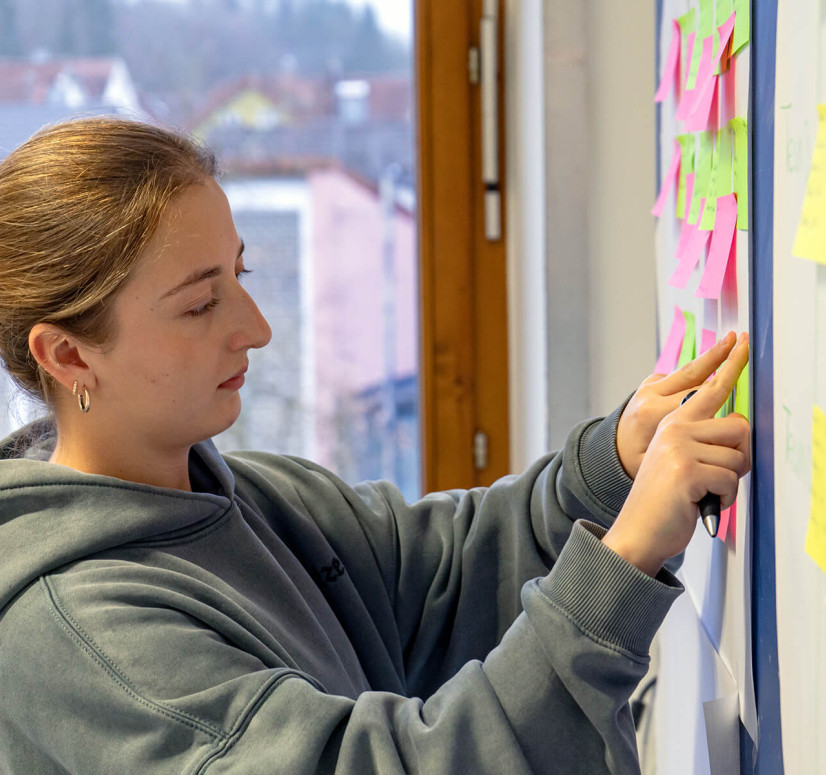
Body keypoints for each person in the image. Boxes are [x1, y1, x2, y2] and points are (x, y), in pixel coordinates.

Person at [0, 117, 750, 774]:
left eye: (240, 274)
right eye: (200, 303)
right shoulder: (82, 631)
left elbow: (451, 573)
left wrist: (613, 467)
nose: (256, 327)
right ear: (68, 357)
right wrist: (618, 568)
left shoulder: (257, 497)